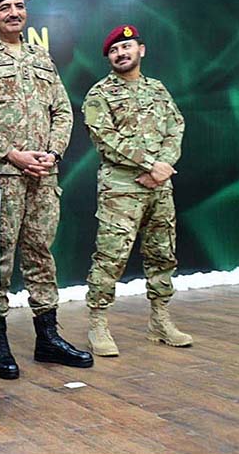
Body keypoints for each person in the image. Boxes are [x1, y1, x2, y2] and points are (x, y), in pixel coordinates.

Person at [0, 0, 93, 377]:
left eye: (19, 6)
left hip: (43, 174)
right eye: (5, 8)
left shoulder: (40, 56)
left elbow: (62, 111)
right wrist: (11, 153)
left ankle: (47, 338)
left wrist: (51, 153)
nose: (14, 13)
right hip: (2, 174)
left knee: (41, 253)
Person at [83, 24, 192, 356]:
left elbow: (176, 127)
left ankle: (160, 321)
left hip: (159, 187)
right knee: (111, 257)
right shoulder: (99, 94)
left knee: (162, 254)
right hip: (120, 189)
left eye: (126, 47)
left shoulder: (158, 90)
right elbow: (105, 138)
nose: (121, 53)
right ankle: (97, 324)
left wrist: (162, 168)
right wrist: (150, 165)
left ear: (140, 50)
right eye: (114, 50)